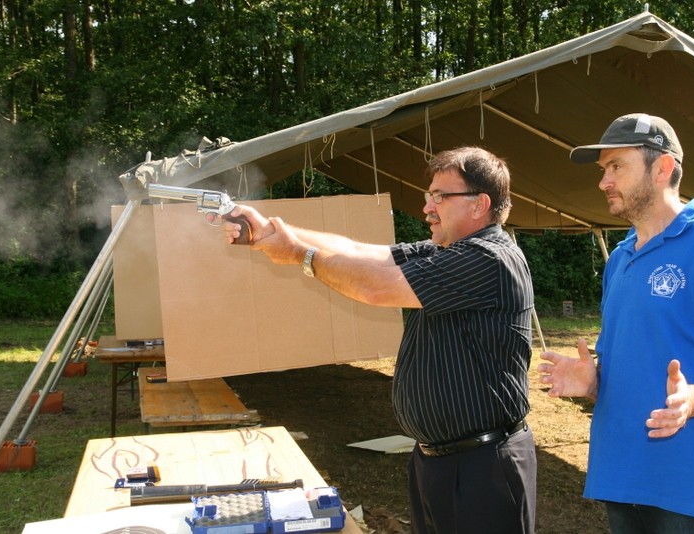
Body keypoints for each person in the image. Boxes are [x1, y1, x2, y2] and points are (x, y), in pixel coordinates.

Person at [223, 146, 537, 533]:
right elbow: (361, 253)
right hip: (441, 460)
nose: (427, 207)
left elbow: (375, 286)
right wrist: (270, 231)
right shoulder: (447, 251)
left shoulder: (488, 258)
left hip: (482, 464)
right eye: (428, 196)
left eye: (440, 196)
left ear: (479, 205)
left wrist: (300, 255)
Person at [538, 113, 694, 533]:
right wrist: (594, 383)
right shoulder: (620, 257)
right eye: (603, 170)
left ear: (662, 168)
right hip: (623, 482)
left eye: (617, 167)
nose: (603, 182)